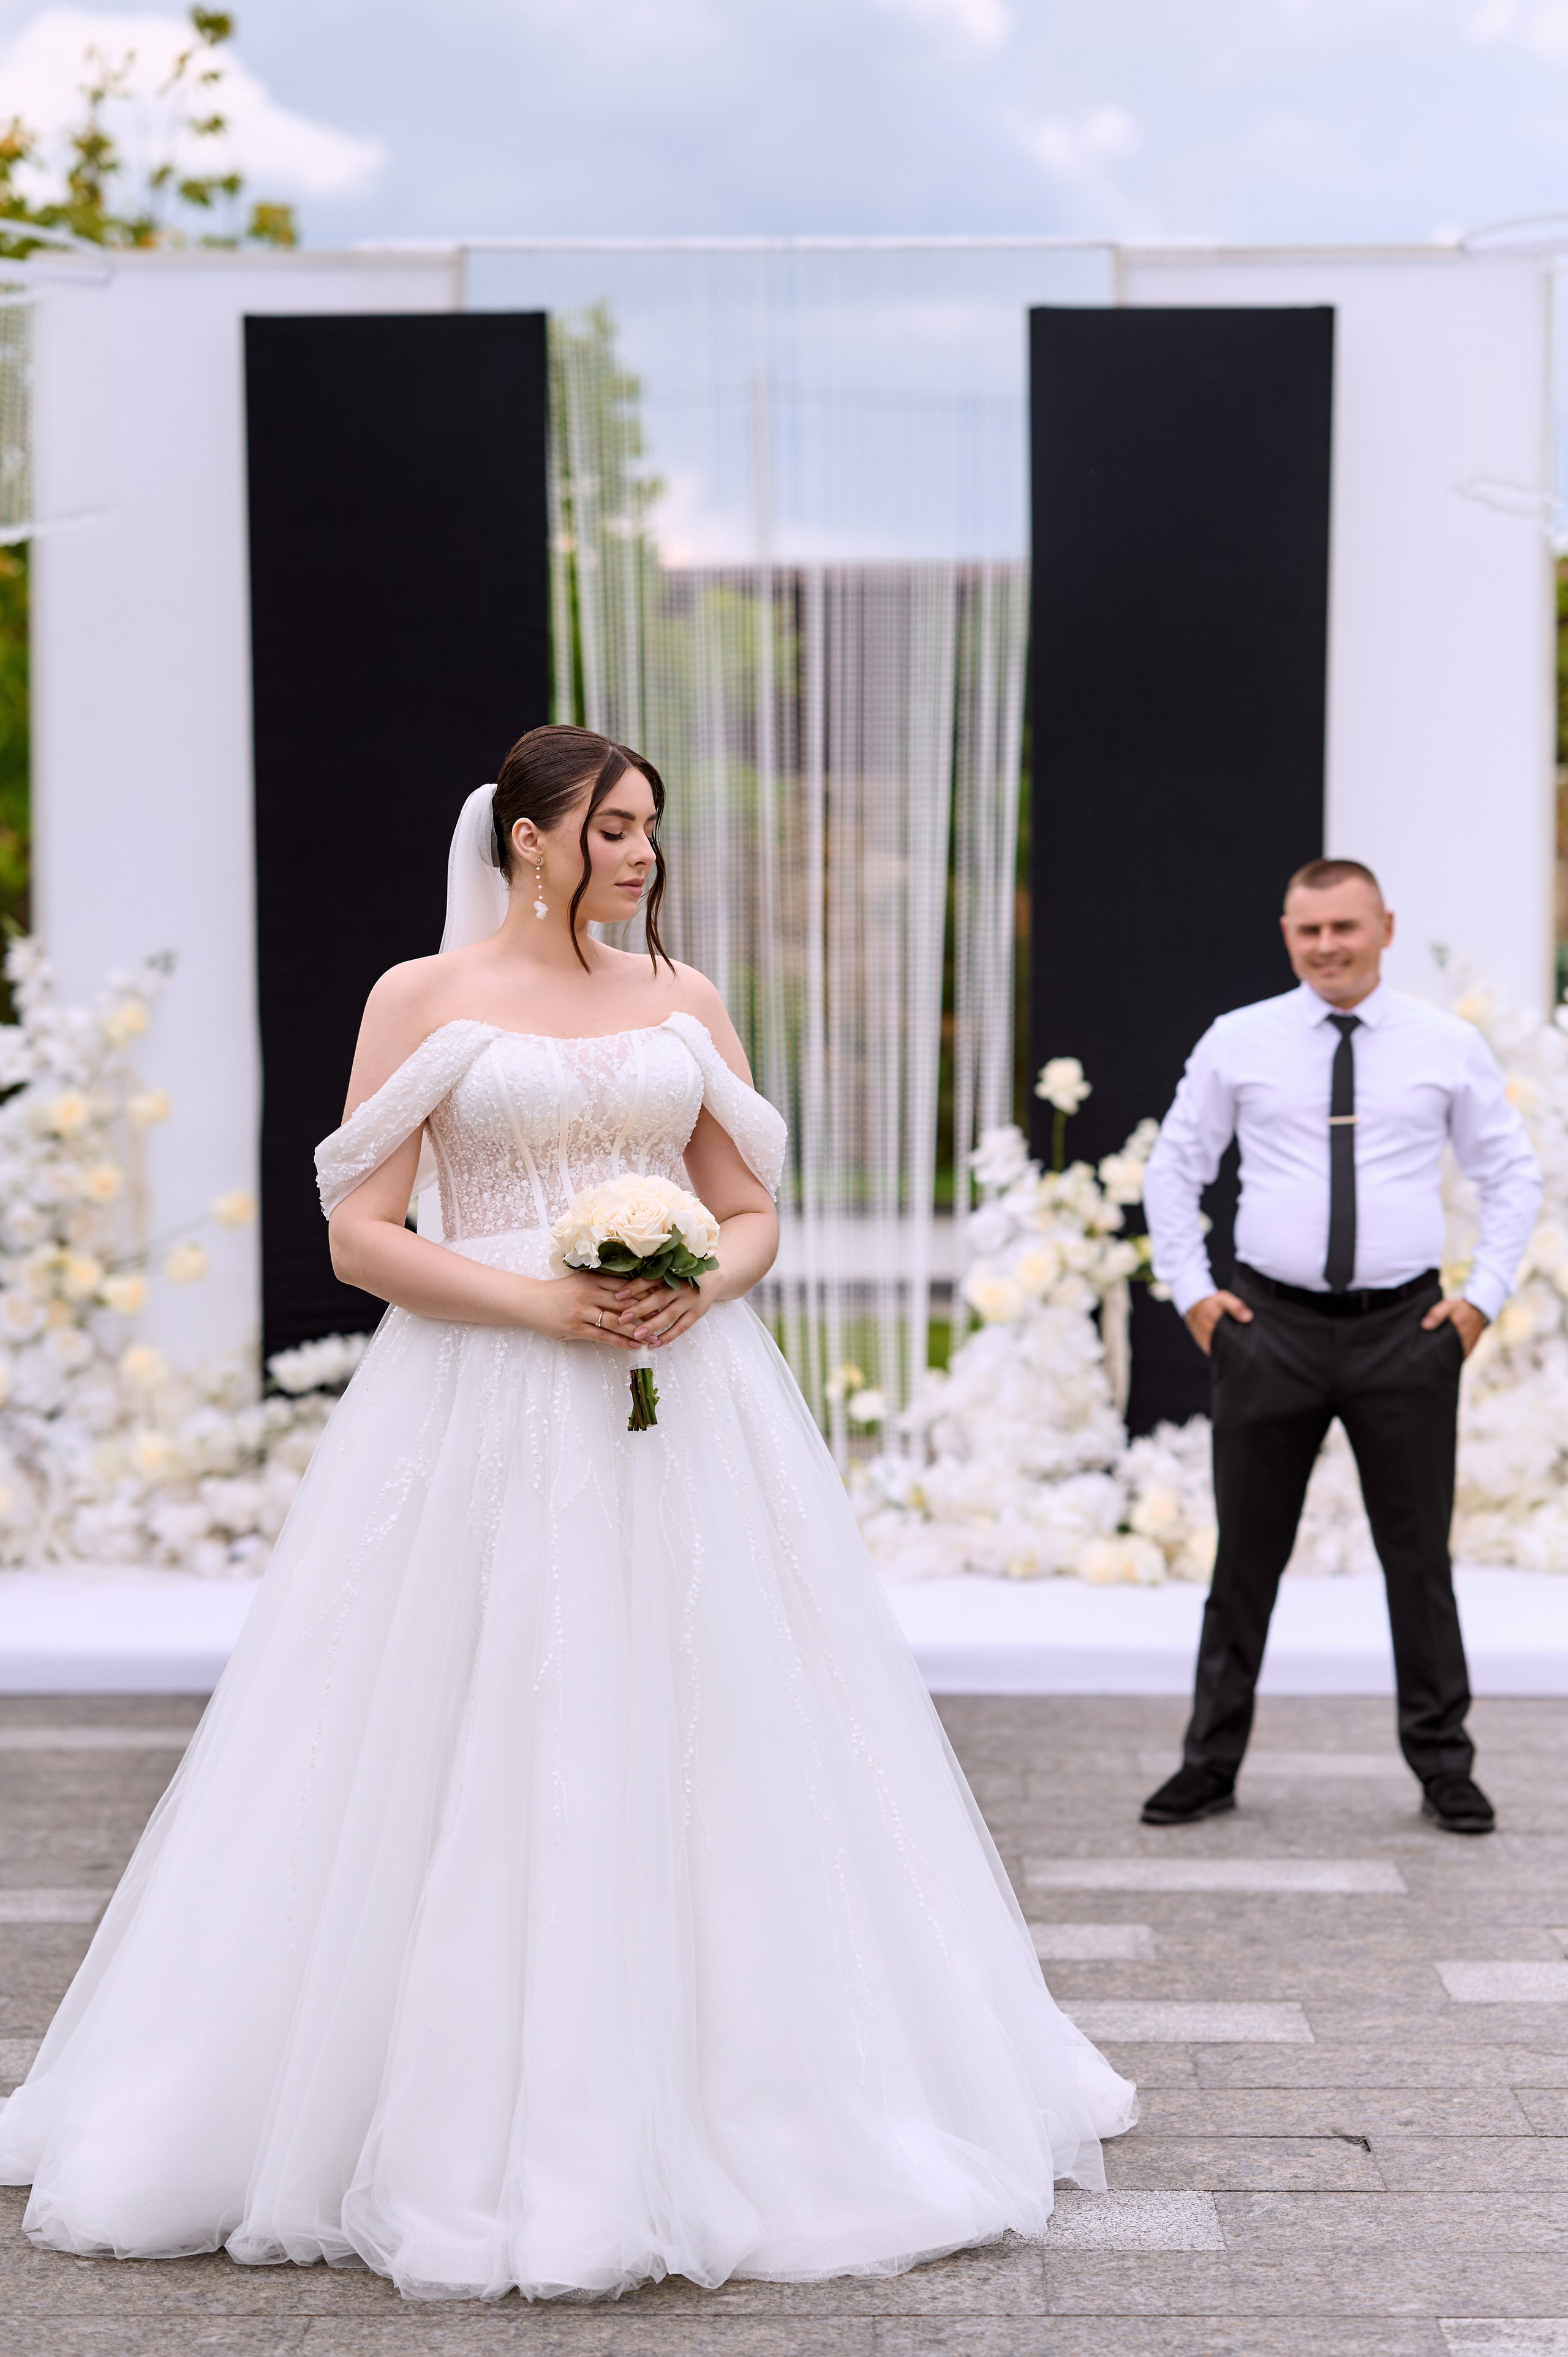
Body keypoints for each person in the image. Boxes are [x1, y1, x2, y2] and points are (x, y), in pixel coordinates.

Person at [0, 725, 1134, 2302]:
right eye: (611, 827)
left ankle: (769, 2084)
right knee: (457, 1723)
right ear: (525, 839)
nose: (639, 854)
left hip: (693, 1404)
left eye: (648, 828)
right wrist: (543, 1305)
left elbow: (751, 1212)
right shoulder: (423, 996)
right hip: (481, 1399)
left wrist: (685, 1288)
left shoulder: (683, 999)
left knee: (724, 1716)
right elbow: (358, 1233)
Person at [1139, 858, 1540, 1836]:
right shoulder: (1241, 1040)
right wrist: (1196, 1297)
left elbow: (1513, 1176)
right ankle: (1210, 1762)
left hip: (1405, 1335)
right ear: (1287, 933)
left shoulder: (1447, 1045)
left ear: (1386, 928)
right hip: (1267, 1331)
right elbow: (1174, 1171)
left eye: (1345, 929)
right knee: (1245, 1558)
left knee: (1419, 1561)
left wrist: (1480, 1302)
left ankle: (1445, 1765)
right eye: (1309, 930)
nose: (1327, 947)